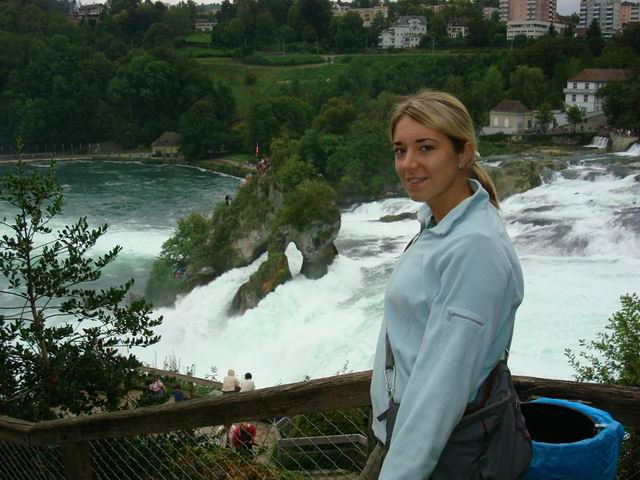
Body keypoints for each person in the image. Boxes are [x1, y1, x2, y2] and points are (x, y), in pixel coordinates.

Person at [363, 90, 532, 480]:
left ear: (463, 153)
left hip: (440, 456)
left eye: (426, 147)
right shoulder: (439, 223)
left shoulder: (475, 249)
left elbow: (441, 389)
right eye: (400, 150)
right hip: (408, 436)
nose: (409, 163)